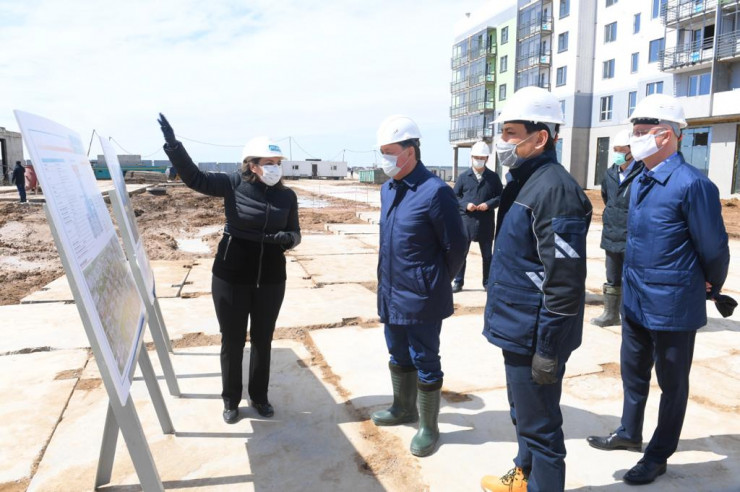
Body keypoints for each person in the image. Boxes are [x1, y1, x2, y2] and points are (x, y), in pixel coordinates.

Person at [586, 94, 729, 485]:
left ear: (665, 135)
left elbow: (714, 247)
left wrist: (712, 283)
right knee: (633, 372)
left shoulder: (692, 184)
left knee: (672, 382)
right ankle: (629, 432)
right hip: (635, 297)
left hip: (672, 303)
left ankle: (658, 454)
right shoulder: (640, 179)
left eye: (640, 132)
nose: (634, 139)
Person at [480, 87, 592, 492]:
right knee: (522, 414)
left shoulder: (554, 190)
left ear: (540, 137)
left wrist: (548, 348)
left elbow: (564, 281)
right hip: (517, 325)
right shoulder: (523, 181)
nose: (502, 142)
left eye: (510, 133)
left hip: (536, 334)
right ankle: (522, 475)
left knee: (541, 427)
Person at [157, 113, 301, 424]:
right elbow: (195, 178)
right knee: (232, 339)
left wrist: (288, 239)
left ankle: (259, 397)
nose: (275, 168)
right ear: (252, 165)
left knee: (263, 339)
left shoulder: (287, 196)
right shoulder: (232, 184)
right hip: (231, 275)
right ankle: (231, 400)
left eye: (278, 163)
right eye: (269, 162)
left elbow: (296, 232)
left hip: (271, 277)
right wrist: (174, 146)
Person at [371, 114, 467, 457]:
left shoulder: (435, 191)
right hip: (391, 291)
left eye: (390, 151)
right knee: (397, 353)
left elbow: (457, 245)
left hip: (422, 296)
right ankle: (403, 408)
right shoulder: (388, 189)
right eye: (382, 151)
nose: (384, 159)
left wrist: (433, 280)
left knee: (425, 359)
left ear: (410, 151)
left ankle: (429, 427)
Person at [591, 129, 643, 326]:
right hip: (612, 233)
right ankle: (610, 314)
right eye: (615, 150)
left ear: (632, 151)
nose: (617, 154)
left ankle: (634, 317)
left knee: (634, 279)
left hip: (633, 237)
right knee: (612, 277)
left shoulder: (642, 173)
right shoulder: (610, 173)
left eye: (621, 150)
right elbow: (607, 198)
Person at [451, 141, 503, 293]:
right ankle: (458, 282)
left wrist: (489, 204)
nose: (479, 160)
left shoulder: (493, 177)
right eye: (476, 157)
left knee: (487, 256)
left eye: (482, 157)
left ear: (487, 158)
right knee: (461, 255)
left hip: (485, 222)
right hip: (466, 222)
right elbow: (454, 197)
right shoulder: (463, 177)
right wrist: (465, 205)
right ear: (471, 157)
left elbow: (500, 197)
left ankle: (487, 283)